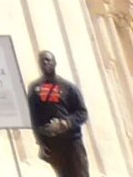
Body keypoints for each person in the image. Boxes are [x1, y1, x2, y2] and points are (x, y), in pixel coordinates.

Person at [28, 49, 90, 177]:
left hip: (72, 143)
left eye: (48, 60)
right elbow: (34, 118)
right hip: (54, 145)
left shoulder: (68, 87)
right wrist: (40, 141)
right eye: (42, 61)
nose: (45, 63)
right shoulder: (35, 89)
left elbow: (82, 113)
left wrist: (66, 123)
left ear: (55, 63)